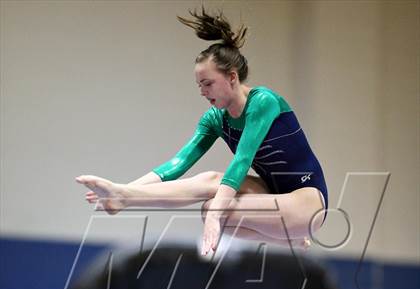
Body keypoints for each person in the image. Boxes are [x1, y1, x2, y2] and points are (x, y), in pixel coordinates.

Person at [76, 7, 328, 255]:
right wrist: (123, 190)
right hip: (271, 193)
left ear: (231, 77)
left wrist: (215, 216)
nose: (203, 91)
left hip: (306, 201)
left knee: (214, 209)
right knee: (209, 182)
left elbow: (242, 159)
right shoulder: (215, 118)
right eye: (199, 85)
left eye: (208, 83)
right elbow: (178, 163)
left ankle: (291, 239)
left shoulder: (263, 102)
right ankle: (123, 197)